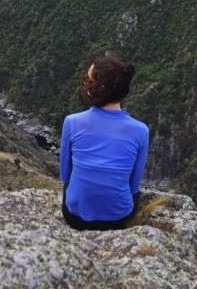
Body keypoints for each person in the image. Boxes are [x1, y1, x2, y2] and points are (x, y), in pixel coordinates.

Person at [59, 55, 150, 231]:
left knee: (70, 186)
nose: (85, 84)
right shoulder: (141, 131)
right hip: (118, 217)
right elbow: (133, 184)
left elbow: (65, 174)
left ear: (96, 88)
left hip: (76, 217)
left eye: (88, 80)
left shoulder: (72, 122)